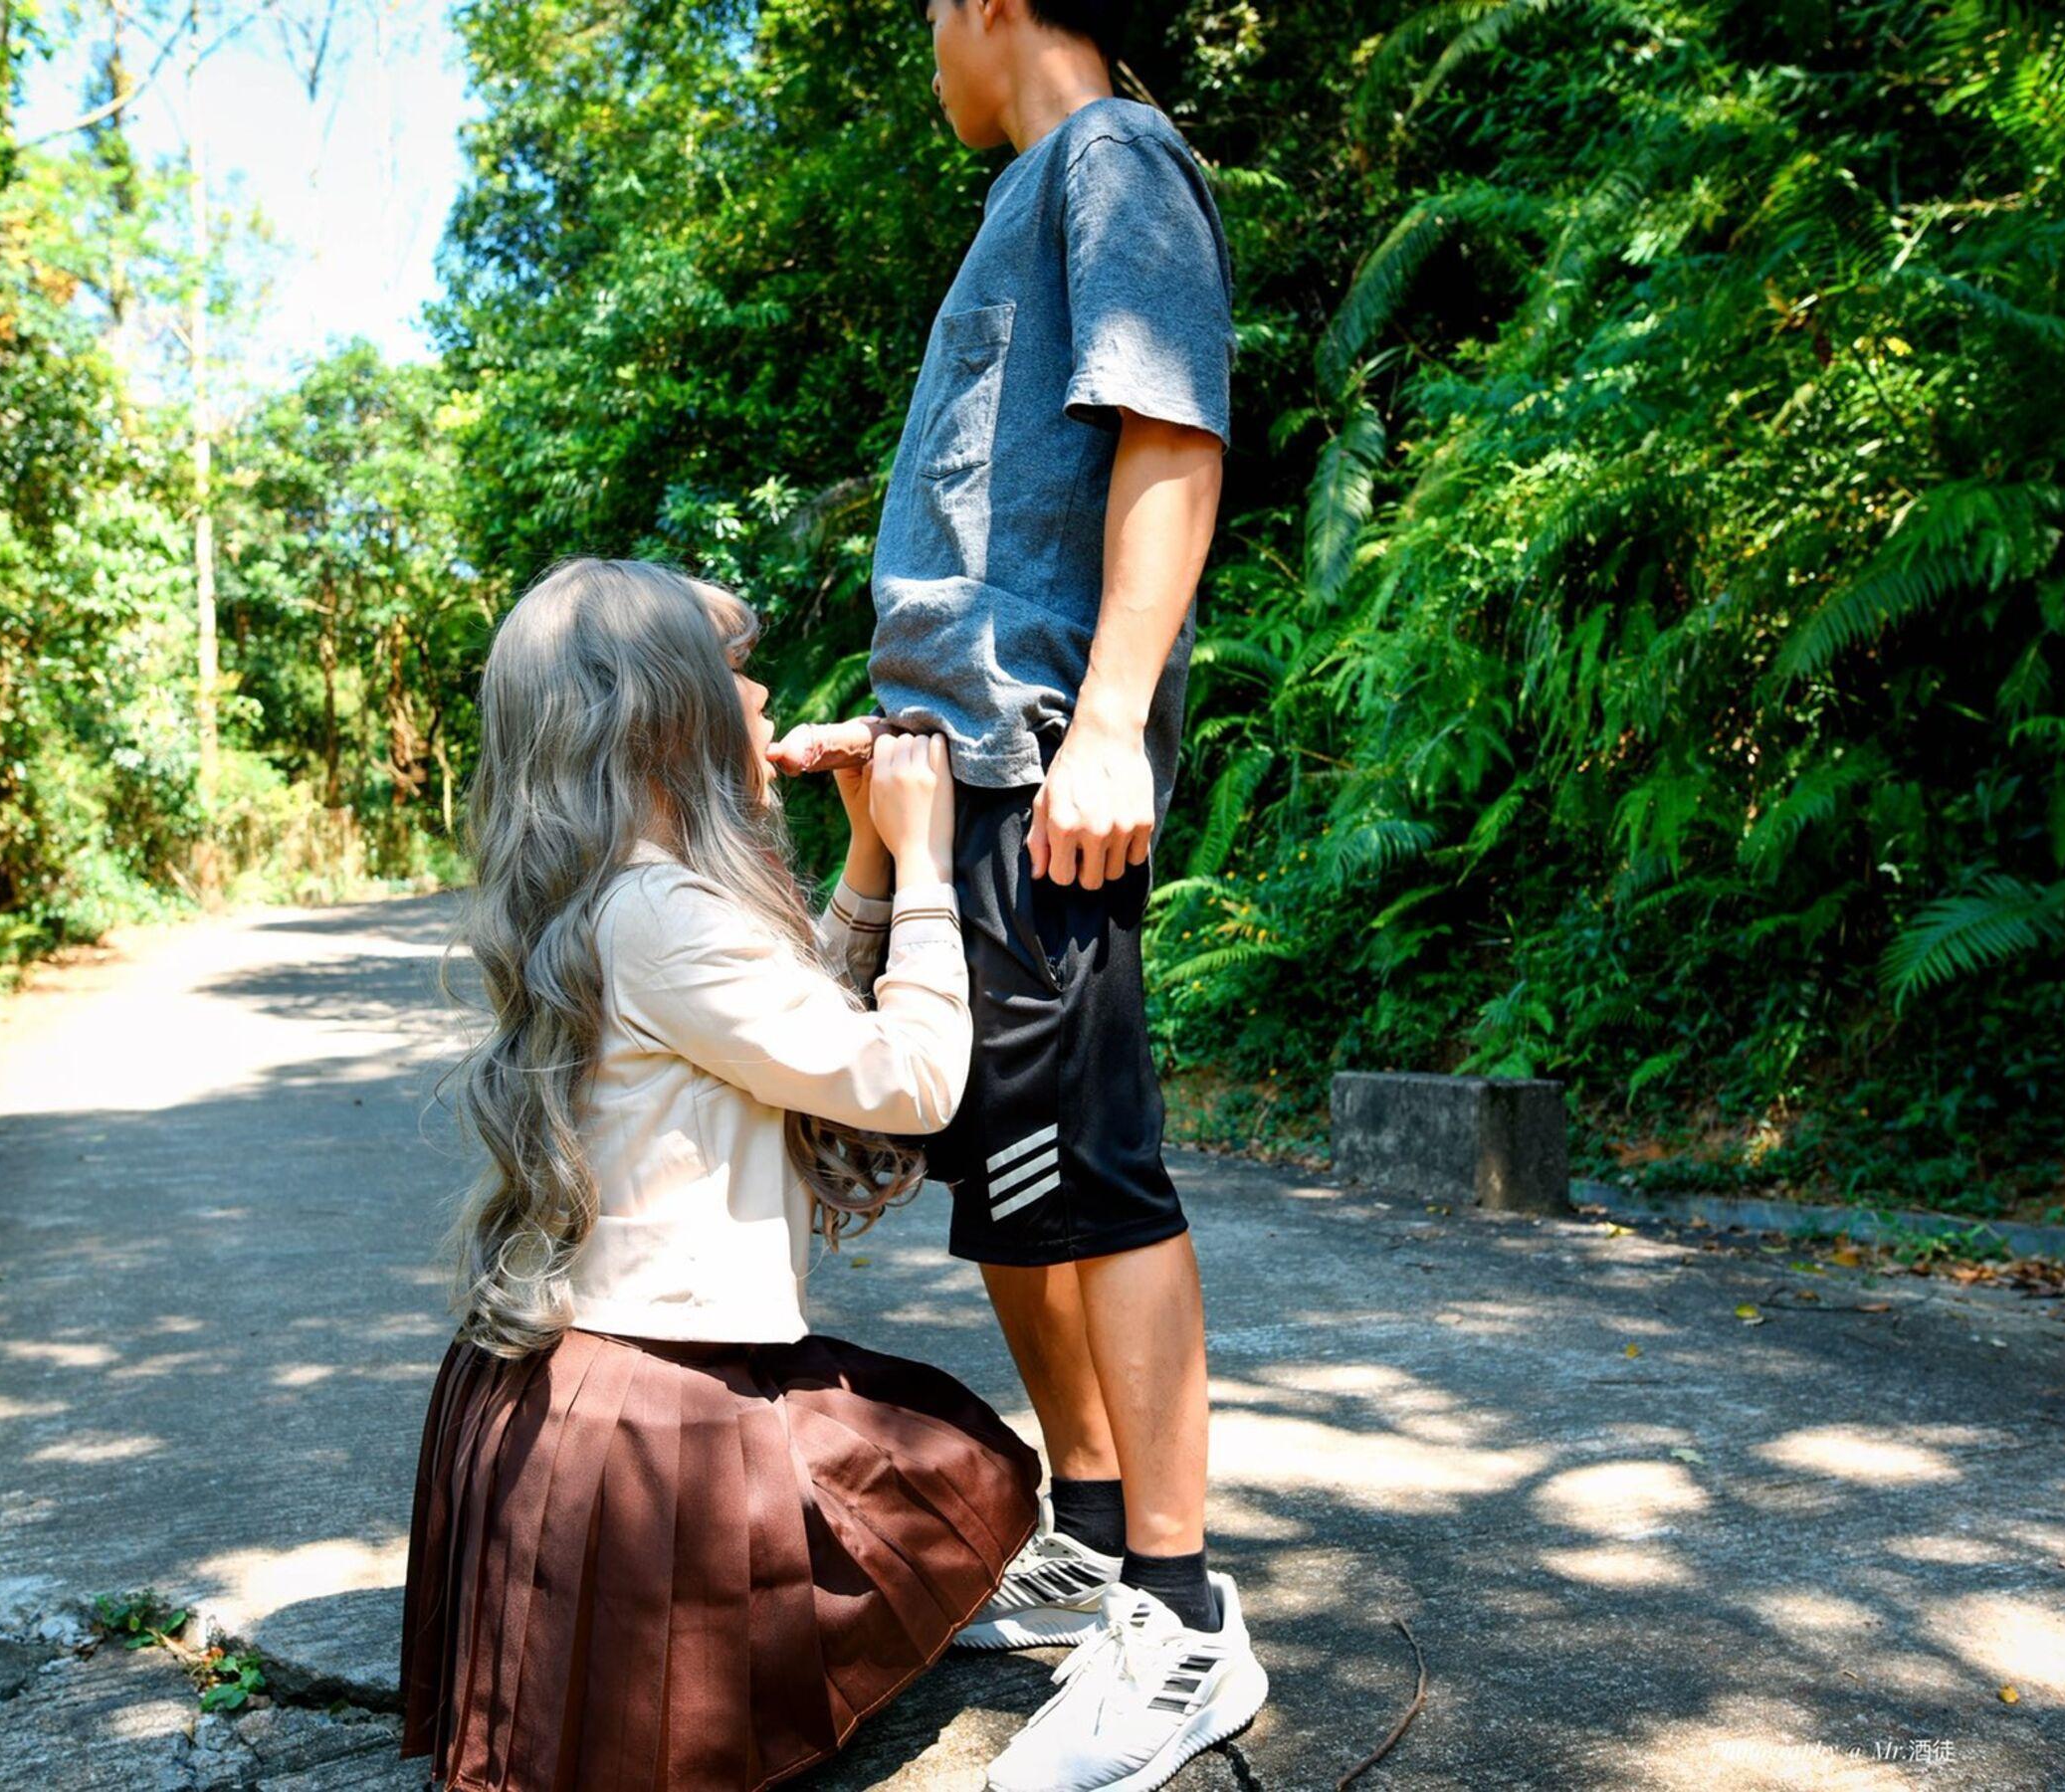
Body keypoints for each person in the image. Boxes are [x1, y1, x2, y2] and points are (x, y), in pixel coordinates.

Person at [766, 0, 1264, 1785]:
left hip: (1045, 759)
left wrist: (1111, 720)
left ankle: (1184, 1623)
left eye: (928, 16)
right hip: (961, 759)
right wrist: (892, 731)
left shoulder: (1111, 158)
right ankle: (1097, 1527)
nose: (928, 50)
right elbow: (992, 531)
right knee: (1009, 1178)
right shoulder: (1036, 189)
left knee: (1094, 1168)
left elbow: (1171, 439)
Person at [399, 557, 1042, 1791]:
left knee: (934, 1465)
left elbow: (787, 1024)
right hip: (652, 1401)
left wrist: (865, 855)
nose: (761, 701)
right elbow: (905, 1081)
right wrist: (925, 865)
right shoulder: (665, 913)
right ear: (665, 716)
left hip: (585, 1369)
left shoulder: (626, 894)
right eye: (736, 676)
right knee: (951, 1483)